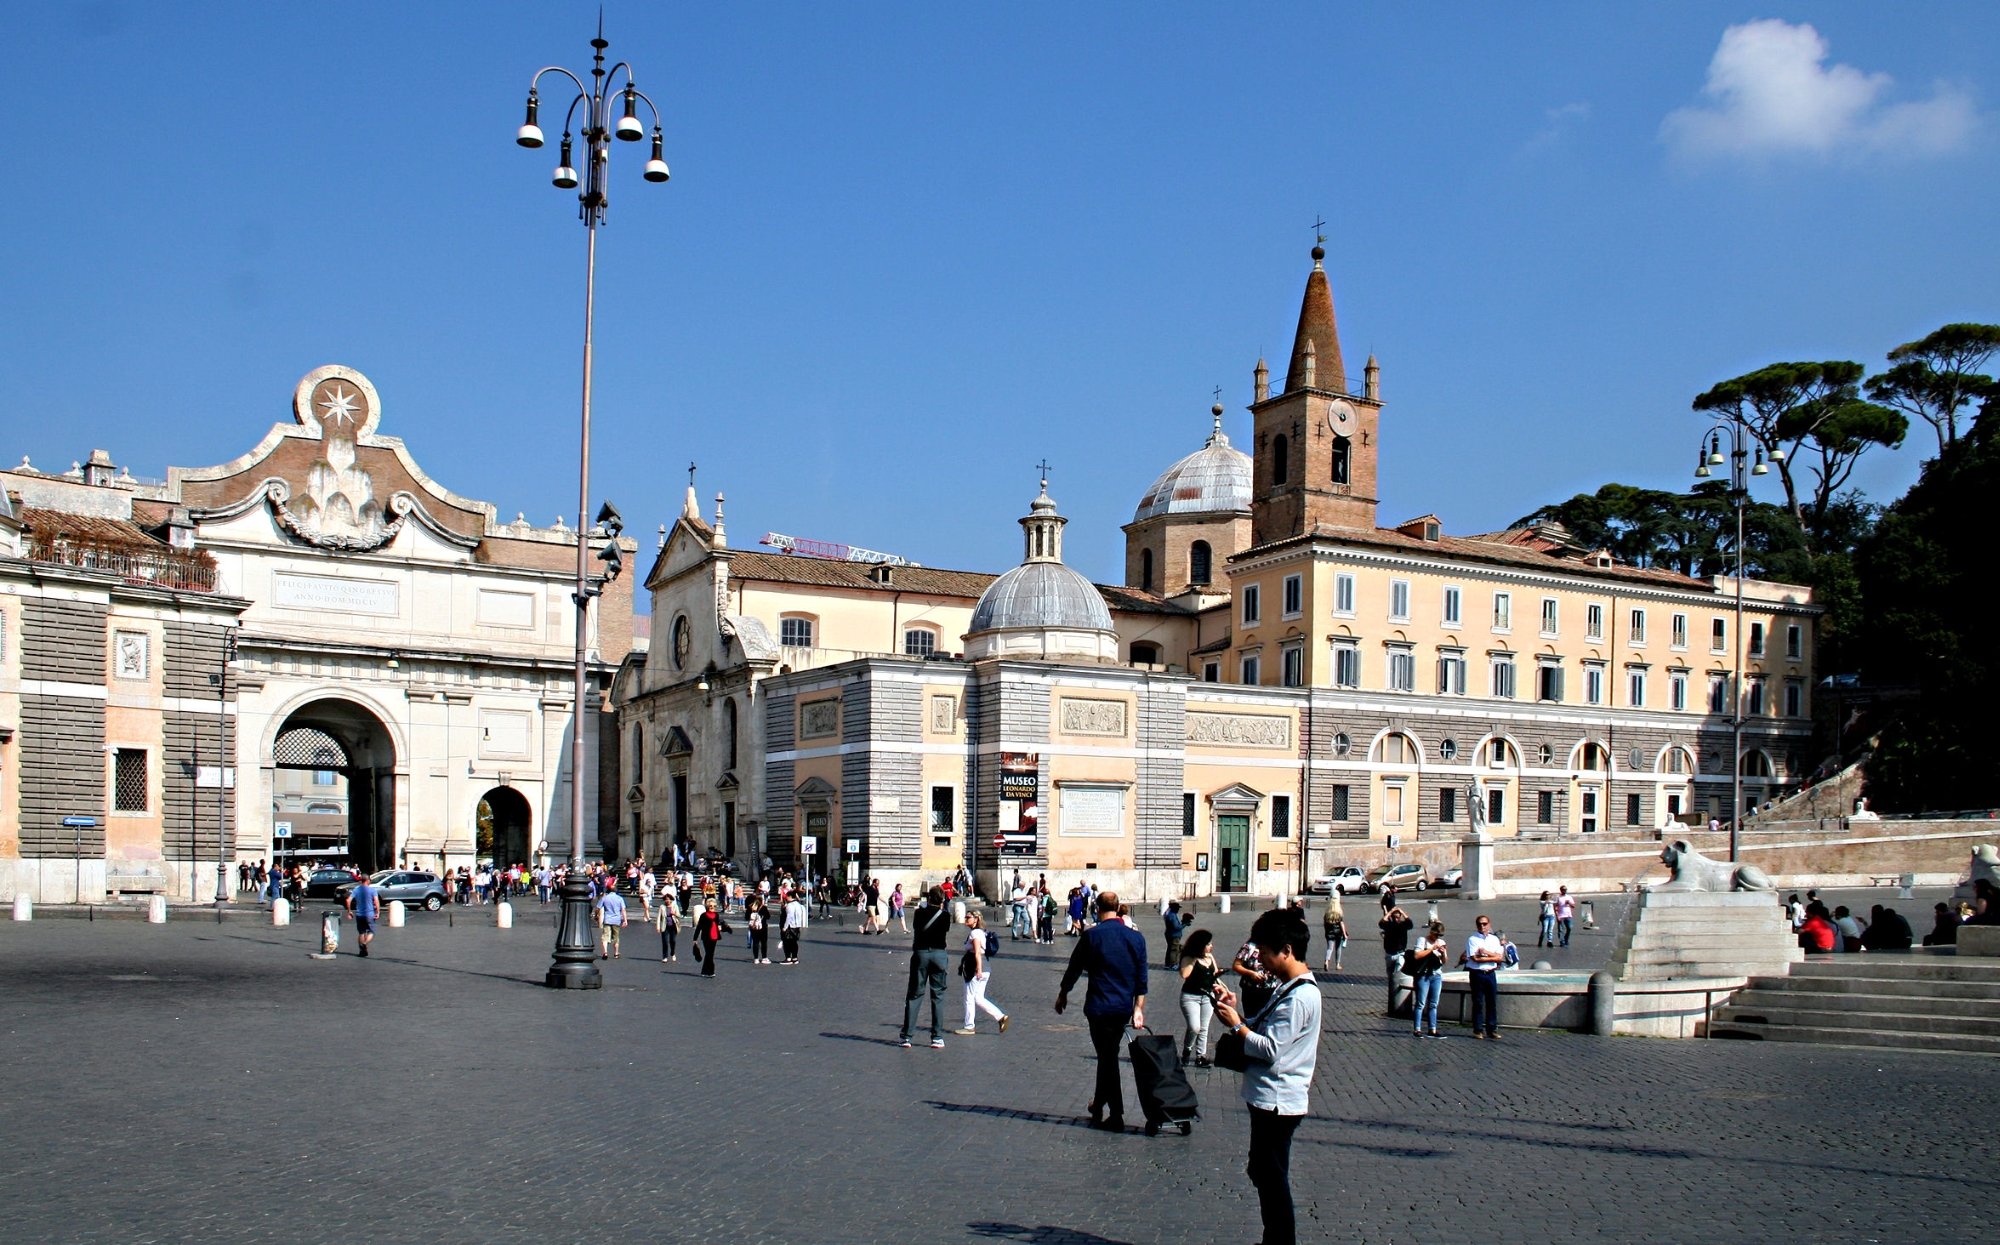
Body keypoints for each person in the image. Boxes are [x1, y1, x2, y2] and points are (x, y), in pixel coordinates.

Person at [1212, 908, 1322, 1245]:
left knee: (1271, 1178)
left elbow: (1269, 1049)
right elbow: (1262, 1029)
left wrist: (1236, 1025)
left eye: (1264, 951)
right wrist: (1237, 1010)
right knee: (1263, 1171)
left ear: (1286, 950)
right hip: (1267, 1097)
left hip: (1278, 1100)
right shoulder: (1287, 988)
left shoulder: (1300, 996)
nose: (1259, 958)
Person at [1056, 890, 1148, 1131]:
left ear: (1096, 908)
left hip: (1098, 1006)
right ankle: (1098, 1106)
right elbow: (1142, 978)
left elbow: (1074, 967)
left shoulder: (1092, 936)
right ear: (1118, 908)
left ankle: (1116, 1114)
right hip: (1121, 1008)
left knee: (1107, 1058)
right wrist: (1138, 1008)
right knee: (1107, 1056)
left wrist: (1063, 993)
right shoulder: (1136, 938)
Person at [900, 886, 953, 1049]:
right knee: (937, 996)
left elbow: (917, 927)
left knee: (915, 995)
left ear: (928, 898)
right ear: (942, 900)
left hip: (921, 954)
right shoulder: (945, 915)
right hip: (939, 955)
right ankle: (937, 1037)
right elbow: (945, 929)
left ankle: (907, 1037)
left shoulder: (919, 913)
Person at [955, 911, 1009, 1035]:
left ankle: (969, 1026)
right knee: (978, 998)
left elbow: (977, 952)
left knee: (969, 997)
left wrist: (978, 969)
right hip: (986, 967)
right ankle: (1001, 1017)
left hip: (976, 968)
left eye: (968, 917)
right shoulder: (982, 932)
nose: (966, 919)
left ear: (976, 919)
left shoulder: (975, 933)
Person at [1177, 929, 1220, 1067]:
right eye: (1208, 944)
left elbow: (1214, 975)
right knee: (1194, 1027)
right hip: (1190, 997)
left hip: (1207, 996)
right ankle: (1187, 1049)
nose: (1211, 946)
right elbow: (1185, 975)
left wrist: (1221, 986)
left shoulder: (1210, 957)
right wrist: (1195, 959)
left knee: (1204, 1027)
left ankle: (1201, 1056)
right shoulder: (1188, 958)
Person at [1461, 914, 1506, 1039]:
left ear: (1489, 924)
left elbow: (1500, 958)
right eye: (1480, 924)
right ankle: (1478, 1029)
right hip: (1477, 974)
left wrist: (1485, 954)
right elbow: (1475, 958)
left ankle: (1492, 1029)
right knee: (1478, 1002)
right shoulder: (1472, 939)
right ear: (1476, 925)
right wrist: (1492, 958)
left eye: (1485, 924)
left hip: (1491, 973)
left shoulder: (1494, 939)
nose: (1482, 926)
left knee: (1492, 1002)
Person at [1408, 919, 1449, 1038]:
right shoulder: (1422, 940)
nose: (1437, 937)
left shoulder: (1441, 942)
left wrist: (1443, 953)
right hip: (1424, 974)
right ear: (1431, 931)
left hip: (1436, 975)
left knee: (1433, 1003)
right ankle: (1417, 1029)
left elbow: (1444, 961)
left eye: (1440, 935)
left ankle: (1433, 1029)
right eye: (1436, 934)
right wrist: (1432, 949)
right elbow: (1416, 955)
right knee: (1420, 1003)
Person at [1379, 903, 1414, 1010]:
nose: (1396, 919)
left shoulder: (1393, 925)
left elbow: (1381, 922)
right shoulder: (1397, 925)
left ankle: (1395, 996)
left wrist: (1390, 913)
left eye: (1397, 917)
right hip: (1394, 953)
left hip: (1396, 954)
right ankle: (1393, 996)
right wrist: (1400, 912)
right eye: (1396, 917)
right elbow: (1410, 923)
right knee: (1393, 975)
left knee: (1394, 975)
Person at [344, 873, 381, 958]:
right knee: (371, 932)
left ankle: (362, 951)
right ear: (367, 880)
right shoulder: (372, 890)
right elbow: (376, 901)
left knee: (361, 932)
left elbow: (348, 900)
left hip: (359, 914)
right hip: (369, 914)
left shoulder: (356, 890)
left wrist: (349, 911)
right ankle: (364, 944)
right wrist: (378, 912)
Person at [693, 897, 730, 978]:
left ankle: (705, 971)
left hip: (715, 937)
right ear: (707, 906)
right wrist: (695, 939)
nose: (712, 907)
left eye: (714, 906)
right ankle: (710, 971)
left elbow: (719, 925)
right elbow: (699, 927)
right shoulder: (703, 915)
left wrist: (724, 928)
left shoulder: (716, 915)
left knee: (710, 954)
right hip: (706, 937)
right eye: (710, 906)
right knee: (709, 954)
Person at [595, 883, 627, 960]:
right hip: (616, 920)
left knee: (605, 937)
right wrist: (625, 920)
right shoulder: (619, 898)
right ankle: (616, 953)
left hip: (607, 919)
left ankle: (605, 952)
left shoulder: (605, 898)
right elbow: (623, 910)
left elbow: (598, 907)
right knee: (616, 937)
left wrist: (596, 915)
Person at [1321, 893, 1347, 972]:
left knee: (1329, 948)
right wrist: (1345, 934)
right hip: (1338, 932)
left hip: (1329, 932)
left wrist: (1326, 931)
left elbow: (1324, 923)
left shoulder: (1327, 913)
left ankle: (1326, 960)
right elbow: (1341, 923)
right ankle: (1337, 964)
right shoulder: (1339, 913)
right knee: (1338, 948)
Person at [780, 888, 807, 965]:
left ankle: (788, 958)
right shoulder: (799, 905)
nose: (786, 898)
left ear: (789, 897)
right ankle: (795, 958)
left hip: (790, 926)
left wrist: (784, 927)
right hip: (797, 926)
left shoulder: (789, 906)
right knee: (794, 942)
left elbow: (789, 917)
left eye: (787, 896)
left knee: (787, 942)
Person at [746, 895, 771, 964]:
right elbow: (768, 916)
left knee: (755, 942)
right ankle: (764, 958)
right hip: (763, 927)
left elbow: (746, 917)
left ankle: (756, 958)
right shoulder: (763, 908)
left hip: (753, 928)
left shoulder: (750, 908)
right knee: (763, 943)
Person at [655, 895, 680, 962]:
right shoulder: (662, 907)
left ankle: (673, 953)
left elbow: (679, 915)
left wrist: (674, 913)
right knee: (665, 942)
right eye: (666, 899)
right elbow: (658, 917)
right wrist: (658, 926)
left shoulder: (675, 906)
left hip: (673, 926)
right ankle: (665, 956)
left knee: (673, 941)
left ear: (671, 900)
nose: (667, 901)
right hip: (664, 926)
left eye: (669, 899)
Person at [1161, 900, 1185, 969]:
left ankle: (1167, 964)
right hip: (1174, 935)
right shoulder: (1172, 915)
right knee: (1174, 950)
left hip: (1169, 933)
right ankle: (1173, 964)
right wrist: (1184, 924)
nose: (1178, 909)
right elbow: (1177, 927)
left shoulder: (1169, 913)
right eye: (1177, 908)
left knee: (1170, 949)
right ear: (1174, 908)